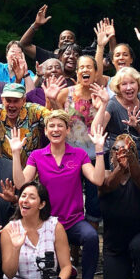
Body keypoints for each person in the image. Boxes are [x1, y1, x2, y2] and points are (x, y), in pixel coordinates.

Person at [11, 110, 107, 279]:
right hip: (47, 223)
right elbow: (20, 182)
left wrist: (99, 150)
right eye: (51, 126)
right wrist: (15, 153)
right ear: (46, 131)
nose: (56, 129)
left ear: (68, 130)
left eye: (60, 126)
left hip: (73, 221)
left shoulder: (79, 154)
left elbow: (97, 179)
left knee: (90, 237)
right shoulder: (37, 155)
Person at [1, 181, 92, 279]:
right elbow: (9, 273)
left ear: (42, 204)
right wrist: (16, 248)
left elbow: (66, 266)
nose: (25, 200)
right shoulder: (10, 229)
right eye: (23, 196)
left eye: (31, 197)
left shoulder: (55, 226)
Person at [54, 55, 110, 228]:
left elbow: (99, 126)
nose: (85, 70)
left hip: (96, 156)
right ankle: (72, 250)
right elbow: (55, 121)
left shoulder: (103, 95)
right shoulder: (66, 94)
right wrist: (51, 99)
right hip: (70, 155)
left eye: (89, 67)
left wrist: (102, 106)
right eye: (82, 67)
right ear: (77, 72)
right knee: (70, 200)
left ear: (95, 72)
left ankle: (90, 246)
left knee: (95, 203)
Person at [99, 135, 140, 279]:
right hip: (114, 244)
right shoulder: (103, 175)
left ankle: (139, 277)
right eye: (116, 150)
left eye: (126, 150)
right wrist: (120, 169)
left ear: (134, 155)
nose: (120, 153)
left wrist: (131, 163)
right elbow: (108, 185)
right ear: (110, 156)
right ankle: (127, 269)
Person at [0, 80, 60, 165]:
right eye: (8, 100)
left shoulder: (33, 110)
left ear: (24, 100)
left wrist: (53, 101)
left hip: (31, 168)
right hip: (4, 169)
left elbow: (60, 122)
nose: (11, 105)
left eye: (15, 101)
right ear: (2, 100)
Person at [97, 67, 140, 168]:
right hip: (118, 158)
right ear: (118, 87)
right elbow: (97, 130)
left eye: (132, 82)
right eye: (124, 84)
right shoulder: (112, 104)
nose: (129, 87)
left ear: (138, 84)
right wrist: (103, 104)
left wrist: (137, 126)